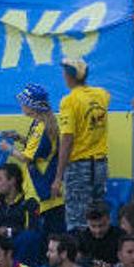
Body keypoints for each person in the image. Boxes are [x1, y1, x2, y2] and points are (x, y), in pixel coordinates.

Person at [52, 57, 110, 231]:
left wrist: (58, 176)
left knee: (78, 220)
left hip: (79, 167)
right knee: (98, 217)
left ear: (69, 76)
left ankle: (79, 256)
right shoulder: (101, 95)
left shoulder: (69, 101)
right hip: (100, 164)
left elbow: (67, 139)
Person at [1, 83, 63, 233]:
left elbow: (27, 158)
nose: (21, 105)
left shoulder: (41, 127)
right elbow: (37, 149)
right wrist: (19, 138)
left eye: (24, 102)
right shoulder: (39, 123)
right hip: (41, 187)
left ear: (32, 105)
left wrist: (8, 148)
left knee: (41, 236)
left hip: (41, 188)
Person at [76, 202, 124, 267]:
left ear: (109, 220)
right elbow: (76, 260)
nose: (97, 231)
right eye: (93, 226)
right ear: (87, 223)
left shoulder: (121, 236)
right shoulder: (82, 238)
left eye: (101, 226)